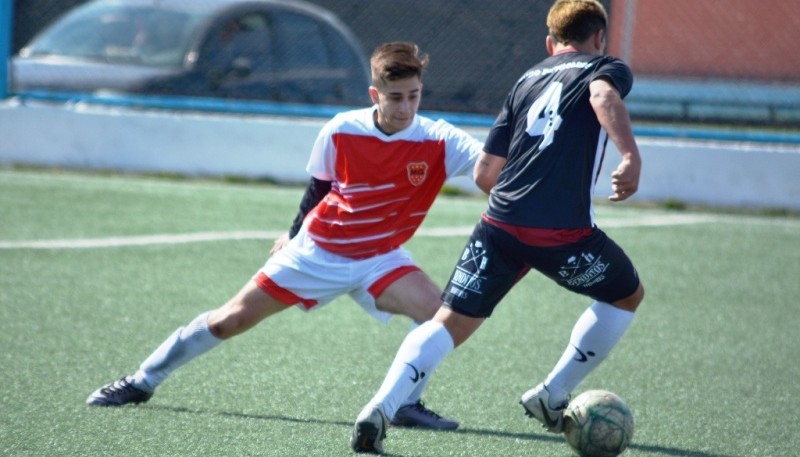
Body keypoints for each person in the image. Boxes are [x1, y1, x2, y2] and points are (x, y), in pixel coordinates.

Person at [86, 41, 485, 431]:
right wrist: (293, 236)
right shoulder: (342, 129)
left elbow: (489, 167)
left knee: (439, 318)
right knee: (229, 320)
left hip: (380, 256)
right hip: (318, 252)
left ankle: (404, 403)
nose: (405, 108)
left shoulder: (440, 138)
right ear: (373, 94)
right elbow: (318, 191)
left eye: (414, 96)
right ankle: (140, 381)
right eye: (395, 97)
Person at [350, 1, 645, 453]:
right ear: (599, 37)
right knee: (626, 294)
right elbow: (603, 97)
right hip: (561, 231)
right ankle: (551, 394)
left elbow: (486, 174)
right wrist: (629, 156)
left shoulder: (525, 79)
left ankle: (380, 406)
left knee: (448, 322)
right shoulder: (605, 67)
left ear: (550, 43)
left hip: (499, 222)